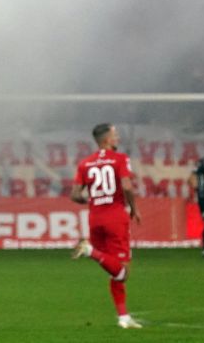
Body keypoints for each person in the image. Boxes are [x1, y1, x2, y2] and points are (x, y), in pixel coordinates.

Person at [70, 123, 142, 329]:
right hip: (116, 217)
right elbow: (127, 185)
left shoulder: (85, 163)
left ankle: (123, 318)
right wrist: (133, 208)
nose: (118, 138)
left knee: (114, 270)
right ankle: (89, 250)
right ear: (107, 140)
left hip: (95, 218)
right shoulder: (120, 159)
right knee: (123, 272)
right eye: (115, 135)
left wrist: (92, 200)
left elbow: (74, 195)